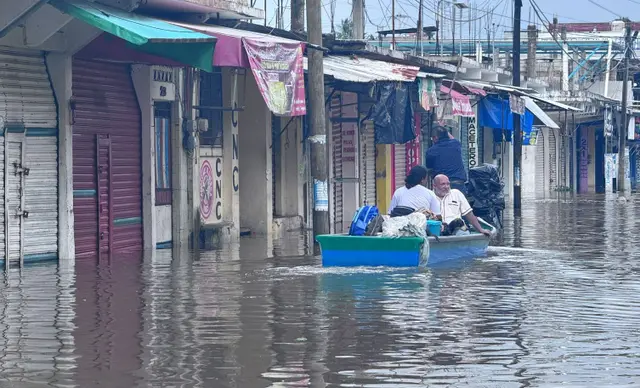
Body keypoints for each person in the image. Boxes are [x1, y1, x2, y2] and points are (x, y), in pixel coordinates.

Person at [425, 125, 468, 194]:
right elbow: (452, 138)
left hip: (441, 185)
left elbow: (429, 166)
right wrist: (444, 129)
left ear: (435, 138)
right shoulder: (456, 144)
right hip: (459, 184)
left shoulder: (431, 151)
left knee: (442, 204)